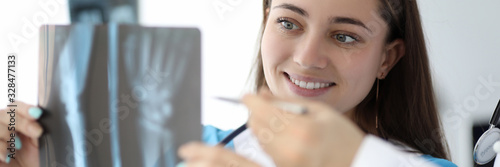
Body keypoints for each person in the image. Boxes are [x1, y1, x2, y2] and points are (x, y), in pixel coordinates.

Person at [0, 0, 457, 167]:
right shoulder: (177, 147)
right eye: (289, 23)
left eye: (344, 36)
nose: (306, 58)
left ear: (388, 57)